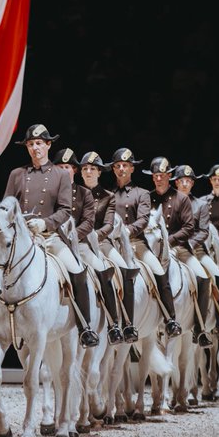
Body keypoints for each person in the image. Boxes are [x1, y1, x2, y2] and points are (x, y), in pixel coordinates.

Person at [4, 125, 98, 347]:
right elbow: (8, 206)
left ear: (48, 145)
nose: (35, 148)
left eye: (39, 143)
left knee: (76, 270)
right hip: (22, 238)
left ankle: (86, 327)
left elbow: (66, 210)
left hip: (50, 237)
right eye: (30, 144)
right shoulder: (17, 174)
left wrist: (44, 223)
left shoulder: (60, 175)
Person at [105, 147, 181, 337]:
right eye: (118, 166)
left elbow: (143, 219)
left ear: (132, 169)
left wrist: (126, 231)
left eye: (125, 165)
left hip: (135, 243)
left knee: (158, 271)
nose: (121, 169)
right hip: (111, 242)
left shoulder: (142, 193)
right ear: (114, 169)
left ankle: (170, 319)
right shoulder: (107, 194)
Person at [53, 147, 122, 344]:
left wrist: (74, 235)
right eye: (60, 167)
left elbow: (89, 223)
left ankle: (114, 324)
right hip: (55, 242)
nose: (64, 170)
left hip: (82, 243)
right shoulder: (51, 191)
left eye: (68, 167)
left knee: (102, 271)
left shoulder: (85, 193)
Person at [144, 156, 211, 346]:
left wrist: (169, 241)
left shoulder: (181, 198)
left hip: (178, 248)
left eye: (162, 175)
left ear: (169, 176)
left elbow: (189, 228)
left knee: (203, 278)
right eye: (156, 175)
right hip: (150, 247)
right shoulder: (147, 197)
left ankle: (200, 328)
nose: (158, 179)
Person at [171, 164, 219, 339]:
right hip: (169, 249)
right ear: (176, 182)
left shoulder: (200, 204)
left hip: (195, 250)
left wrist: (189, 244)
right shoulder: (169, 201)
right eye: (181, 180)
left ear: (192, 183)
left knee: (214, 276)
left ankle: (213, 325)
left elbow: (204, 231)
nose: (185, 183)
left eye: (188, 181)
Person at [76, 150, 130, 344]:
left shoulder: (108, 197)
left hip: (101, 243)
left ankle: (118, 323)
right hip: (77, 243)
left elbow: (108, 225)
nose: (88, 172)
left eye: (92, 169)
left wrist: (93, 236)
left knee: (121, 269)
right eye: (85, 169)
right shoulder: (74, 193)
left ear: (99, 172)